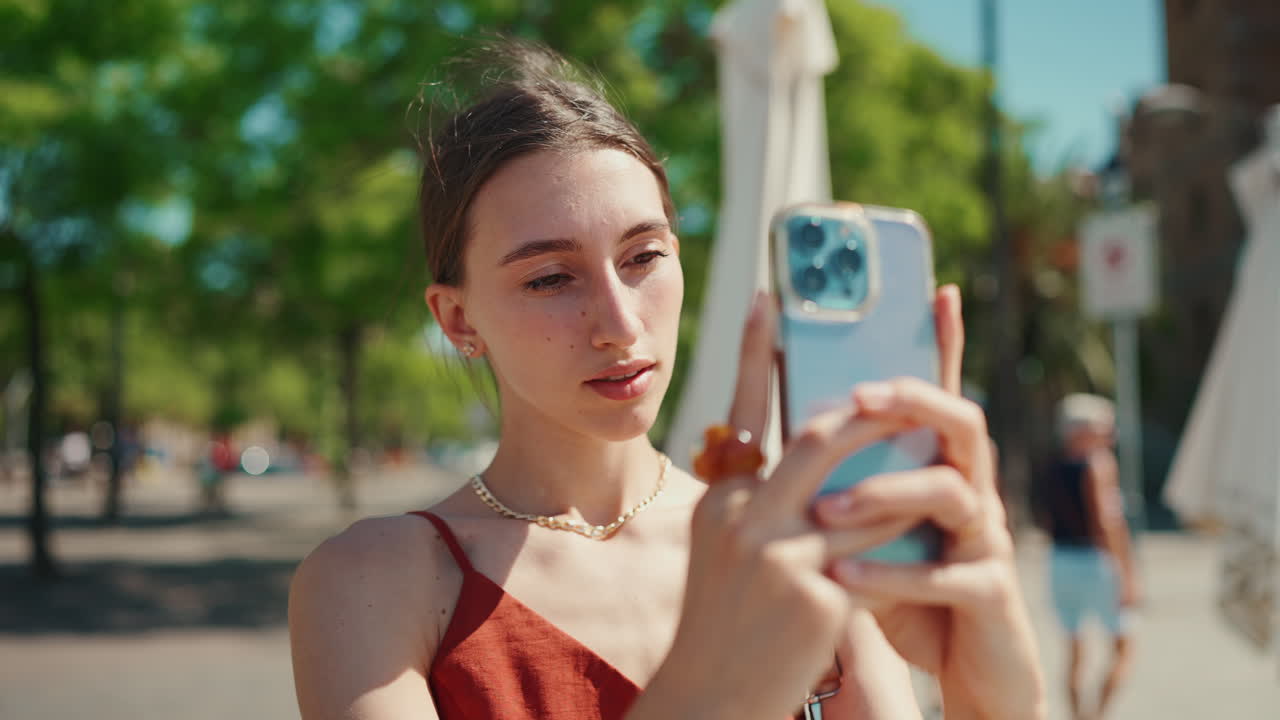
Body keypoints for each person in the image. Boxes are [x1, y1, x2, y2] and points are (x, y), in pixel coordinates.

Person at [288, 40, 1045, 720]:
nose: (618, 321)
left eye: (644, 256)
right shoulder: (375, 583)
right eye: (551, 278)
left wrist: (999, 699)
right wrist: (718, 688)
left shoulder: (785, 539)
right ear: (458, 320)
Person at [1041, 393, 1140, 720]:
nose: (1110, 435)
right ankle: (1095, 716)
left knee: (1074, 651)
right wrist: (1126, 573)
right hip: (1095, 563)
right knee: (1124, 649)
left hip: (1059, 561)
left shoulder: (1052, 467)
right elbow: (1107, 524)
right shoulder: (1099, 464)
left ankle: (1077, 717)